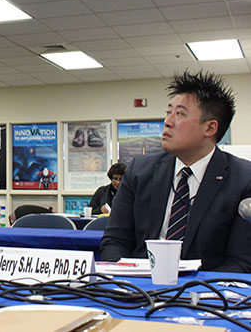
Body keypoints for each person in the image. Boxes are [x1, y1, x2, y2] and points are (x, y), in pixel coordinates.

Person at [100, 71, 251, 272]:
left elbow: (240, 261)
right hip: (140, 290)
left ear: (210, 128)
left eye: (179, 114)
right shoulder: (139, 171)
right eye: (168, 112)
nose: (168, 121)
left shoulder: (243, 179)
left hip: (205, 295)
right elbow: (115, 241)